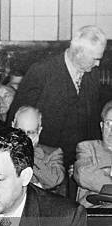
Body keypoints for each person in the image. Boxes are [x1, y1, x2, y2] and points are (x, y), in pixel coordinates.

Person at [8, 25, 107, 167]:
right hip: (45, 162)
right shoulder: (42, 72)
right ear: (79, 53)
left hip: (79, 162)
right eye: (95, 59)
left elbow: (93, 121)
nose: (97, 64)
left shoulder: (93, 74)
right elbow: (17, 116)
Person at [12, 106, 65, 193]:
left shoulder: (52, 153)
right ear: (13, 125)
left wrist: (29, 153)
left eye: (31, 132)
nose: (25, 137)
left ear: (39, 131)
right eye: (20, 131)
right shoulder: (0, 151)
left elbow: (53, 181)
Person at [74, 100, 112, 208]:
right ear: (101, 126)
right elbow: (83, 174)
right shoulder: (87, 147)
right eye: (109, 123)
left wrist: (106, 171)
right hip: (94, 212)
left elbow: (95, 178)